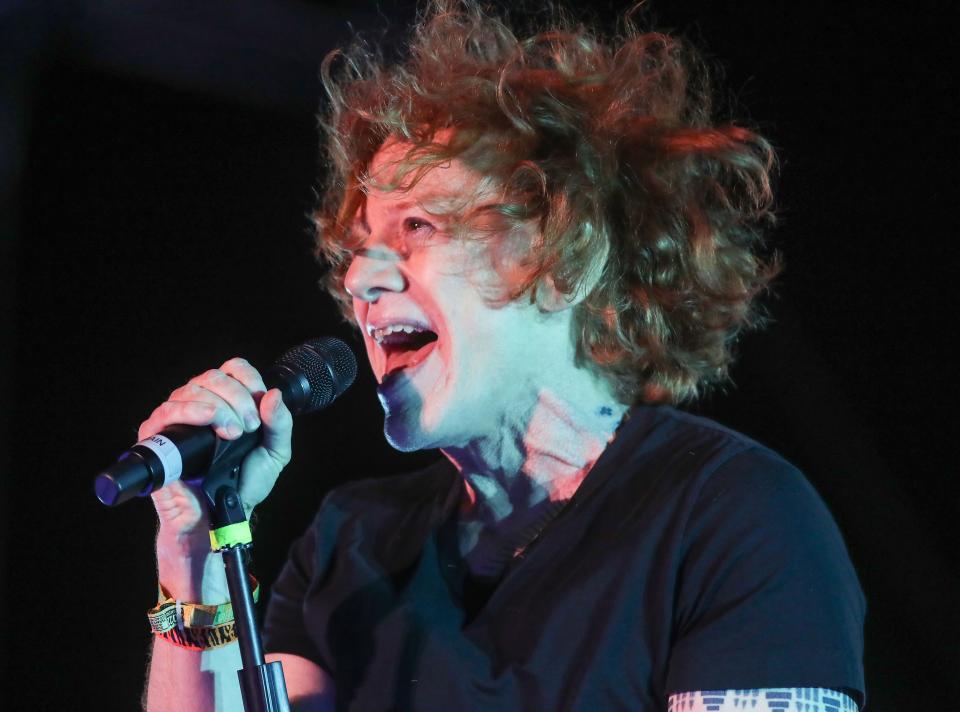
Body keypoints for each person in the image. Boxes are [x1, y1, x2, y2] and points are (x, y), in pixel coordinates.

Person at [142, 2, 865, 710]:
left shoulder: (733, 516)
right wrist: (195, 557)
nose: (361, 280)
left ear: (564, 258)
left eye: (420, 225)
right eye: (358, 249)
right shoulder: (350, 544)